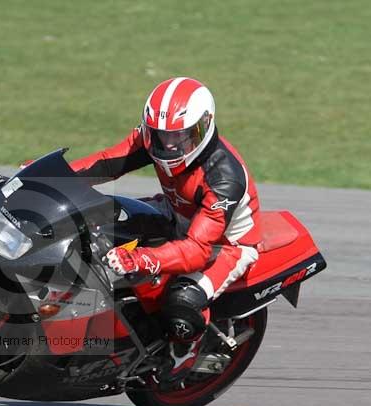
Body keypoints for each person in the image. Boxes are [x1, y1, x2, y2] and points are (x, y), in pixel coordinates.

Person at [69, 77, 262, 381]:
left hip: (224, 245)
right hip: (174, 212)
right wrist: (54, 178)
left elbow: (198, 249)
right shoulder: (155, 140)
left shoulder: (224, 177)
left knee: (181, 301)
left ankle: (187, 351)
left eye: (181, 137)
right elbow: (108, 162)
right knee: (96, 221)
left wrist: (143, 258)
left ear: (203, 128)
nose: (169, 145)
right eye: (160, 136)